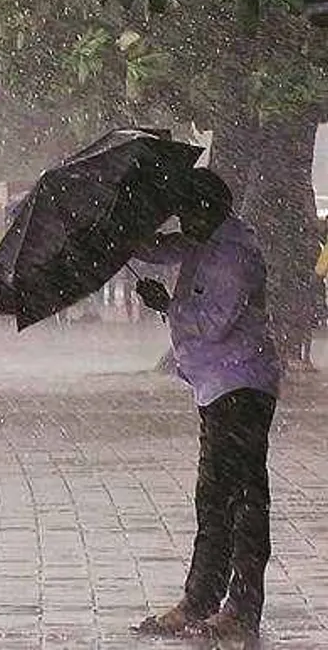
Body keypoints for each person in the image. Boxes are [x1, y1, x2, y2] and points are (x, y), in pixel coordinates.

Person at [132, 168, 281, 643]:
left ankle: (239, 607)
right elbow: (165, 249)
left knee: (240, 500)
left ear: (208, 209)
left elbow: (215, 321)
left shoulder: (234, 255)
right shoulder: (207, 237)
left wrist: (165, 305)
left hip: (241, 388)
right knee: (216, 499)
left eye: (186, 214)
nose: (183, 224)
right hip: (216, 385)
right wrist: (125, 240)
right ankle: (202, 600)